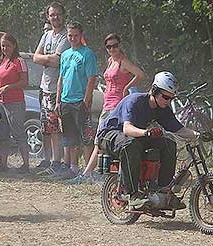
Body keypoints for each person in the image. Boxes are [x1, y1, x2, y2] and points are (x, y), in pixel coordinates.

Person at [97, 71, 199, 210]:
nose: (168, 101)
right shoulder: (134, 101)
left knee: (168, 143)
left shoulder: (163, 108)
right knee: (130, 145)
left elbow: (179, 130)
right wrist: (147, 132)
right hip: (110, 134)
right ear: (154, 91)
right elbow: (127, 129)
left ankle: (163, 191)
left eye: (171, 98)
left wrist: (198, 134)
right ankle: (132, 195)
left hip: (135, 135)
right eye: (165, 97)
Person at [68, 33, 145, 184]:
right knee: (105, 140)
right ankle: (100, 172)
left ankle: (87, 173)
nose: (112, 49)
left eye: (115, 46)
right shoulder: (111, 61)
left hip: (116, 105)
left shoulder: (124, 62)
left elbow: (140, 74)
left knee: (100, 139)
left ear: (119, 45)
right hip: (107, 104)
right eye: (109, 47)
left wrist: (127, 88)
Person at [53, 21, 98, 180]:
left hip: (80, 101)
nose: (73, 39)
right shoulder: (65, 54)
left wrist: (86, 101)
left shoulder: (88, 54)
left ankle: (88, 171)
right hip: (66, 101)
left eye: (76, 36)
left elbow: (92, 78)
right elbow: (61, 78)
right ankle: (73, 168)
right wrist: (58, 100)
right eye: (70, 35)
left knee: (85, 137)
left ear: (81, 35)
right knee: (70, 138)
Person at [33, 2, 69, 173]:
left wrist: (45, 59)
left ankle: (57, 162)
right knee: (46, 126)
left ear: (63, 15)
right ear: (48, 16)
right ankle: (47, 160)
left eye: (58, 14)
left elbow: (57, 61)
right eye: (52, 14)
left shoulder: (67, 36)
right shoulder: (47, 35)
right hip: (44, 86)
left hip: (58, 88)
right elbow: (35, 57)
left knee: (56, 127)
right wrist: (48, 58)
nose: (55, 17)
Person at [0, 33, 30, 173]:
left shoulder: (19, 61)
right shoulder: (1, 61)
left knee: (18, 132)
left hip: (15, 101)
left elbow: (25, 82)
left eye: (8, 45)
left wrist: (9, 87)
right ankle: (3, 163)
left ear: (14, 45)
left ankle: (26, 164)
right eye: (2, 46)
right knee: (2, 133)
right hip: (0, 100)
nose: (5, 48)